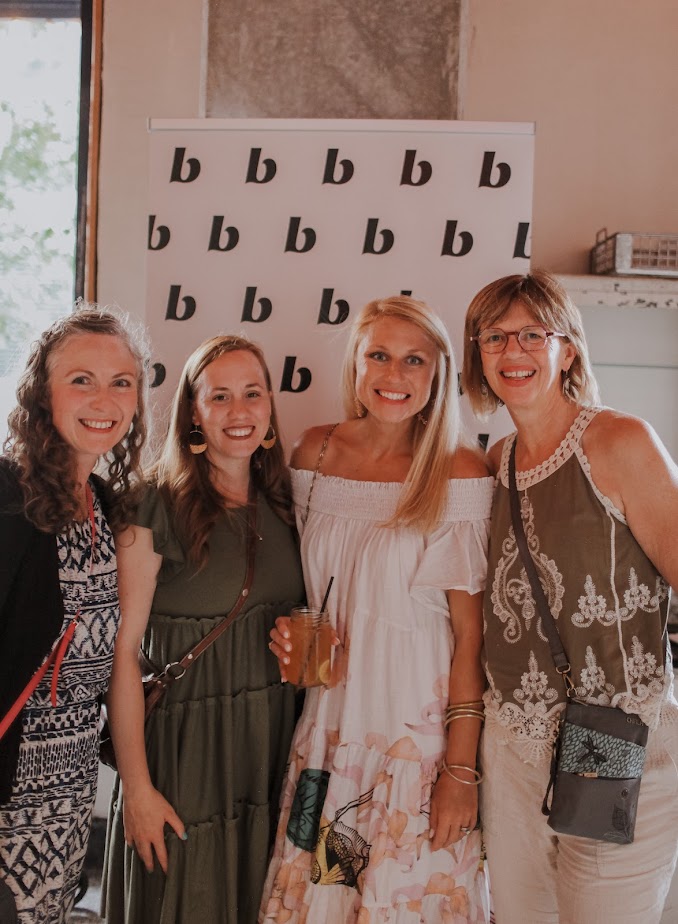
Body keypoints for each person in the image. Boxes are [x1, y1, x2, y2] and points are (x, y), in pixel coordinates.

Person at [262, 296, 495, 923]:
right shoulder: (314, 453)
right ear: (356, 365)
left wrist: (462, 772)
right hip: (326, 734)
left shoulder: (459, 469)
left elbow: (471, 641)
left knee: (400, 907)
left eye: (413, 360)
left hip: (415, 751)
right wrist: (290, 636)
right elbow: (305, 591)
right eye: (380, 356)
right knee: (319, 904)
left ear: (438, 372)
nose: (395, 376)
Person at [461, 270, 678, 924]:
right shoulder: (496, 461)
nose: (512, 352)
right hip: (512, 743)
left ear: (569, 348)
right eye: (494, 337)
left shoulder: (618, 440)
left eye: (532, 333)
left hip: (610, 730)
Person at [101, 335, 304, 924]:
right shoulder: (152, 503)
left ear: (269, 406)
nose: (239, 412)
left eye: (252, 393)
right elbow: (121, 656)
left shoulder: (285, 501)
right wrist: (137, 789)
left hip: (268, 747)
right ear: (194, 410)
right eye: (219, 396)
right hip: (184, 751)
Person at [0, 305, 149, 923]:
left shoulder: (105, 507)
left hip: (65, 792)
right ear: (42, 393)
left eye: (121, 381)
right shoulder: (8, 494)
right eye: (80, 379)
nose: (103, 398)